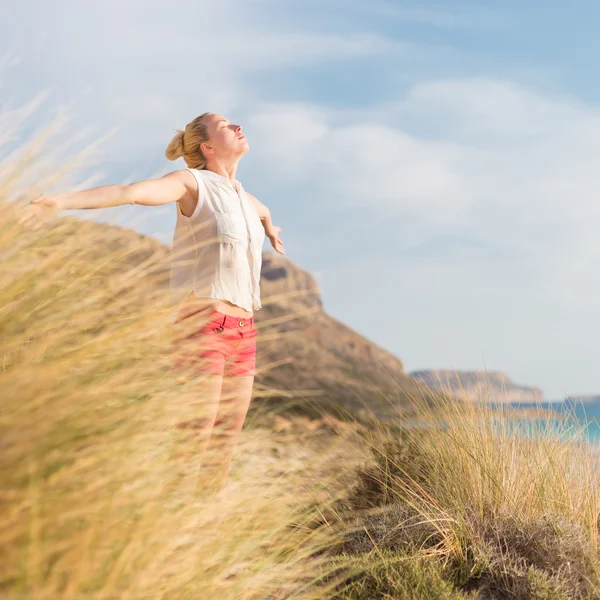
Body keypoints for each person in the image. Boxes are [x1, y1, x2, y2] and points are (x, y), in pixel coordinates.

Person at [18, 112, 285, 495]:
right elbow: (130, 192)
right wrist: (60, 201)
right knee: (194, 439)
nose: (238, 125)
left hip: (245, 335)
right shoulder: (191, 183)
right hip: (204, 328)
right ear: (207, 147)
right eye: (226, 125)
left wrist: (270, 229)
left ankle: (203, 534)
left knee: (223, 448)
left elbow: (263, 212)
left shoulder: (245, 196)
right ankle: (168, 525)